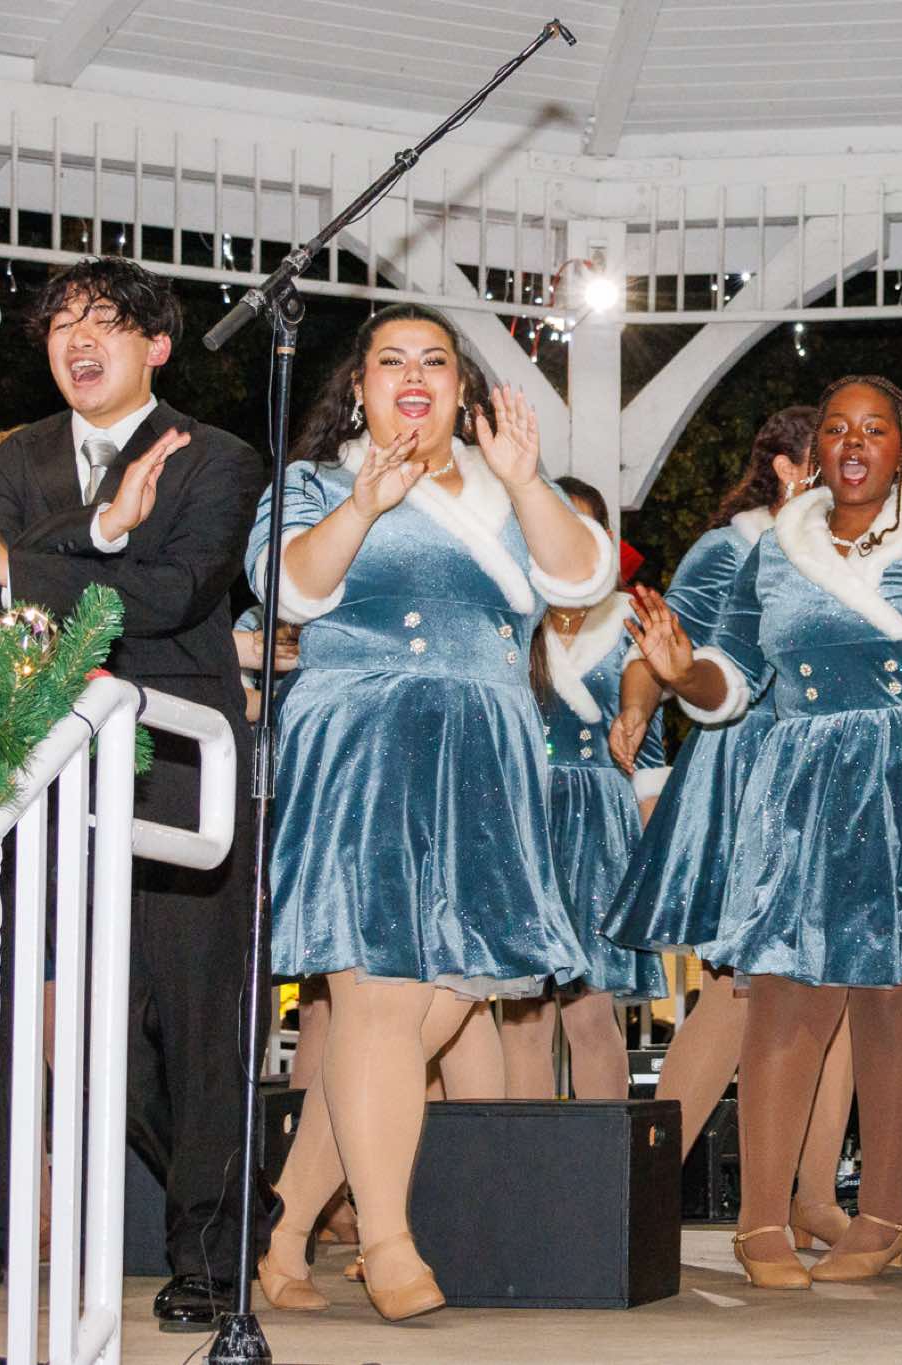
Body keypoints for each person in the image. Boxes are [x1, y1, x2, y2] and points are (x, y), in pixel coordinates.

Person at [619, 374, 902, 1290]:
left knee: (896, 1000)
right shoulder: (775, 549)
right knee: (785, 995)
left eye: (874, 429)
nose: (854, 443)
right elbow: (729, 682)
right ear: (816, 449)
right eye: (836, 429)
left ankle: (886, 1212)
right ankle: (760, 1219)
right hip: (807, 784)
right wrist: (680, 672)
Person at [247, 303, 611, 1322]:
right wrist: (364, 506)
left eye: (436, 362)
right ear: (358, 388)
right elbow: (284, 592)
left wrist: (527, 480)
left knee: (426, 1009)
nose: (414, 376)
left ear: (463, 389)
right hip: (363, 742)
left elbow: (582, 576)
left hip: (487, 756)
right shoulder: (316, 484)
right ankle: (387, 1242)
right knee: (376, 998)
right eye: (392, 361)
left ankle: (281, 1227)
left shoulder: (507, 486)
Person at [0, 258, 262, 1330]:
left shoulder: (217, 457)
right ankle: (237, 1207)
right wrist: (96, 535)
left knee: (196, 1021)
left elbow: (175, 593)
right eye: (60, 326)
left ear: (157, 346)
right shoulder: (13, 457)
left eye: (104, 321)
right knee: (83, 1035)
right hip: (40, 767)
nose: (77, 340)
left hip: (180, 763)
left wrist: (18, 566)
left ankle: (211, 1259)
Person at [606, 406, 860, 1248]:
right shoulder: (729, 547)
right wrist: (636, 709)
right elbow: (656, 648)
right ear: (788, 466)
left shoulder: (851, 546)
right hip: (749, 773)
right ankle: (645, 1189)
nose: (850, 460)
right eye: (830, 447)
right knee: (736, 987)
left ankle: (814, 1192)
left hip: (826, 775)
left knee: (837, 983)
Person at [498, 477, 668, 1101]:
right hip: (521, 818)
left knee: (591, 1014)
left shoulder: (629, 621)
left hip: (600, 828)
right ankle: (527, 1156)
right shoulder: (510, 615)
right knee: (523, 1016)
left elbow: (649, 753)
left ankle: (604, 1160)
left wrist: (654, 864)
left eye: (583, 524)